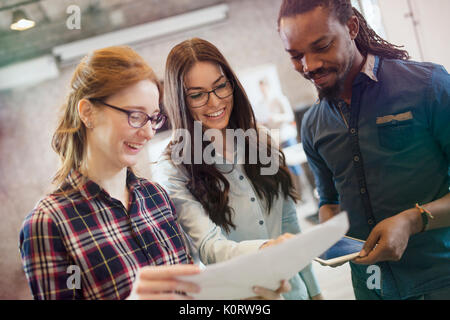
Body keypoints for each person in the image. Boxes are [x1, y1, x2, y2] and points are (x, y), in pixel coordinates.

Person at [19, 46, 288, 300]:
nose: (148, 132)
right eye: (136, 116)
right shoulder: (48, 224)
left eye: (154, 118)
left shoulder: (155, 197)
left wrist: (246, 294)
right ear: (88, 112)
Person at [277, 0, 450, 300]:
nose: (309, 65)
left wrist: (412, 220)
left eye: (321, 46)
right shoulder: (313, 125)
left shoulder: (429, 87)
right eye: (296, 56)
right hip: (372, 289)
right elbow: (329, 201)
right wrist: (329, 232)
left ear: (352, 27)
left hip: (440, 279)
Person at [152, 38, 323, 300]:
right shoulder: (174, 166)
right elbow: (208, 246)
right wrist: (266, 249)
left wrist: (314, 291)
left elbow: (288, 223)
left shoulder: (260, 138)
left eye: (221, 86)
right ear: (179, 100)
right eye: (197, 95)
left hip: (294, 293)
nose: (215, 102)